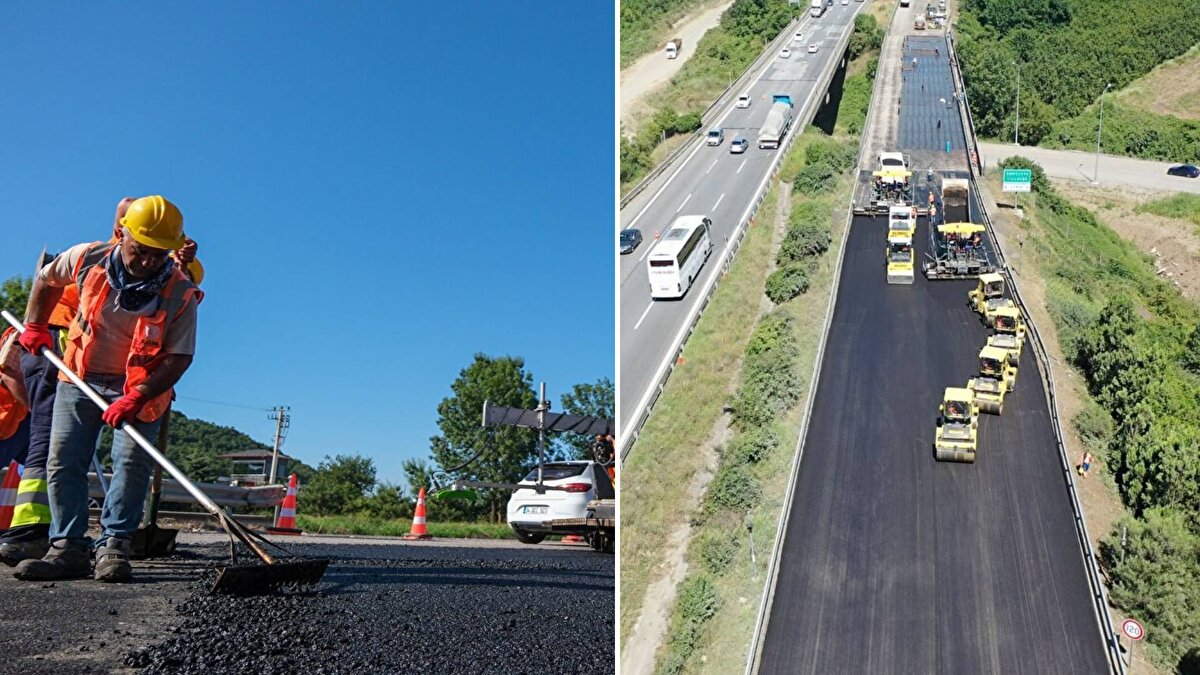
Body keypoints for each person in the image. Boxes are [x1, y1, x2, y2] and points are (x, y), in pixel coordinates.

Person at [13, 195, 201, 583]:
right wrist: (35, 324)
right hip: (79, 377)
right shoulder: (88, 258)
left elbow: (179, 356)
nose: (149, 261)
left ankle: (114, 546)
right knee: (64, 459)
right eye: (141, 250)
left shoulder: (180, 290)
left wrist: (139, 394)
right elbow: (47, 278)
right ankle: (67, 549)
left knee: (131, 466)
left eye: (159, 255)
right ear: (122, 234)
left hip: (140, 387)